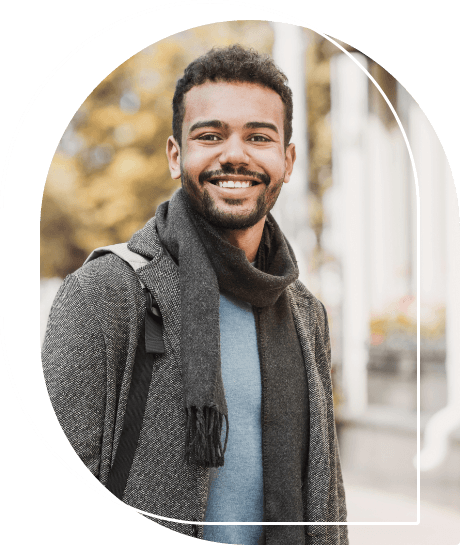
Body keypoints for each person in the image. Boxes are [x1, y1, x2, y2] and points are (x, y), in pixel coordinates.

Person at [42, 45, 348, 545]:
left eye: (258, 137)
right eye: (210, 135)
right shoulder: (106, 293)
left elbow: (326, 494)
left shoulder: (304, 313)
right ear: (175, 154)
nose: (235, 154)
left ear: (287, 160)